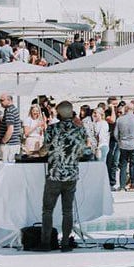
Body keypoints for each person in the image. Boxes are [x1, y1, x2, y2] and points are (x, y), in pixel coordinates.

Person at [40, 101, 89, 252]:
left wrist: (41, 151)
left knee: (48, 210)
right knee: (67, 211)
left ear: (59, 113)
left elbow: (44, 151)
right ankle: (66, 243)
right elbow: (82, 151)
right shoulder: (80, 130)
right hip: (71, 175)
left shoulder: (52, 129)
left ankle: (46, 243)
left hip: (55, 174)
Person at [115, 102, 134, 191]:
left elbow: (116, 134)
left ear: (126, 109)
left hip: (123, 144)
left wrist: (119, 141)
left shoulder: (120, 119)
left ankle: (122, 186)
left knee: (123, 166)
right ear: (132, 109)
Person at [0, 94, 22, 162]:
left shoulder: (9, 111)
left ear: (9, 100)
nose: (0, 102)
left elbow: (10, 129)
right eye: (0, 100)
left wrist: (3, 141)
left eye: (2, 100)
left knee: (7, 166)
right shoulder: (13, 109)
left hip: (9, 145)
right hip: (13, 144)